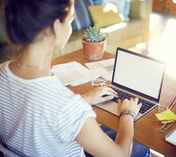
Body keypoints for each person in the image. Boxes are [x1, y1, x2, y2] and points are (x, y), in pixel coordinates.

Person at [0, 0, 150, 156]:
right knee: (141, 145)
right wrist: (127, 114)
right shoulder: (66, 107)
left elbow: (39, 114)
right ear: (56, 26)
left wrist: (83, 99)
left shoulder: (2, 71)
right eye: (71, 20)